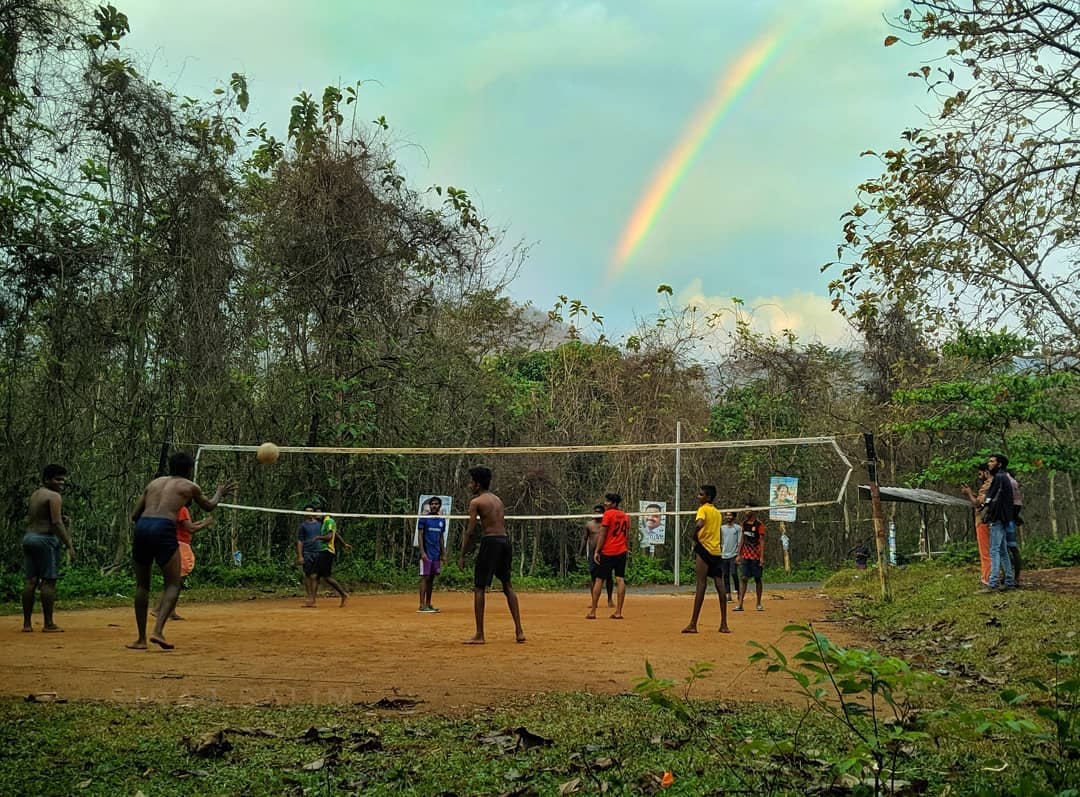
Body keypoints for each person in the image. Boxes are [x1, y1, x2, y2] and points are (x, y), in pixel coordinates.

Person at [129, 452, 234, 650]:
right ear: (189, 469)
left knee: (142, 586)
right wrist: (220, 492)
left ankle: (140, 639)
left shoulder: (154, 483)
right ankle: (158, 631)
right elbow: (209, 506)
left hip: (142, 526)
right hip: (163, 528)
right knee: (173, 584)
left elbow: (135, 514)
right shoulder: (189, 486)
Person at [458, 466, 525, 644]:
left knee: (479, 587)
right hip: (504, 541)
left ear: (477, 484)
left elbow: (470, 531)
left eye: (471, 482)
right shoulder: (497, 500)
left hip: (491, 542)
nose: (469, 485)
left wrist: (462, 554)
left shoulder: (476, 502)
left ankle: (479, 634)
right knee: (507, 585)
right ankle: (519, 631)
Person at [22, 464, 75, 633]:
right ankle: (48, 623)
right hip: (44, 540)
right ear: (47, 479)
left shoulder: (36, 494)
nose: (62, 482)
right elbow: (56, 523)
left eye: (63, 479)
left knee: (30, 581)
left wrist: (61, 519)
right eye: (57, 479)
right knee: (48, 581)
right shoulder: (54, 496)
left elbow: (42, 517)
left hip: (29, 538)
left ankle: (27, 624)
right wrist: (69, 545)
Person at [681, 486, 730, 634]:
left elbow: (700, 523)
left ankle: (693, 624)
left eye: (701, 494)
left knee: (701, 585)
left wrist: (694, 534)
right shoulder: (717, 513)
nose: (698, 496)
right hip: (716, 551)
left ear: (708, 497)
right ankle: (724, 624)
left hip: (704, 549)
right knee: (720, 586)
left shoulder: (703, 509)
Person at [153, 502, 213, 621]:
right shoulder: (182, 509)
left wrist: (202, 522)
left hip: (176, 544)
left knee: (176, 581)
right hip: (179, 545)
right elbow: (191, 529)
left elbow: (187, 526)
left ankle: (171, 611)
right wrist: (206, 523)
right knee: (175, 581)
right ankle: (158, 609)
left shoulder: (176, 508)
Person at [587, 492, 629, 620]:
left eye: (608, 501)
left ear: (614, 504)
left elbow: (603, 534)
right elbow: (627, 534)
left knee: (599, 579)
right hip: (622, 551)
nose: (605, 503)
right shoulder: (625, 516)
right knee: (620, 579)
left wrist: (597, 551)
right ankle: (618, 612)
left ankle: (593, 611)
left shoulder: (608, 515)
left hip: (608, 552)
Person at [980, 453, 1016, 592]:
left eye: (991, 461)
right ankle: (1009, 581)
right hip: (1005, 517)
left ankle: (993, 583)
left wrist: (986, 510)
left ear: (999, 464)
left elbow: (990, 498)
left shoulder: (998, 478)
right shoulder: (1006, 478)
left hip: (997, 518)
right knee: (1002, 551)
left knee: (994, 550)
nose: (988, 464)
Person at [961, 464, 992, 586]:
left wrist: (968, 494)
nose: (979, 477)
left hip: (983, 521)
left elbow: (978, 504)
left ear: (986, 472)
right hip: (988, 520)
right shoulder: (995, 483)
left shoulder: (988, 485)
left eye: (980, 474)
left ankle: (987, 578)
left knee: (985, 551)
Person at [417, 496, 447, 613]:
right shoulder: (424, 518)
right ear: (429, 506)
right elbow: (420, 535)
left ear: (440, 506)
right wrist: (422, 552)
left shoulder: (441, 520)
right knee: (425, 577)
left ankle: (428, 603)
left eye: (437, 504)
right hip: (426, 553)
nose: (434, 506)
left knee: (432, 579)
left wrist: (443, 553)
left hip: (436, 554)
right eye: (432, 504)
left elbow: (441, 538)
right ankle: (421, 604)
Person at [314, 513, 351, 607]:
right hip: (322, 551)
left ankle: (343, 594)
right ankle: (312, 599)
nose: (316, 515)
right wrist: (344, 544)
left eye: (318, 512)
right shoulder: (323, 523)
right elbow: (336, 534)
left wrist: (318, 537)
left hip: (327, 551)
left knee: (326, 577)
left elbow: (330, 536)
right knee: (315, 576)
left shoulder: (329, 521)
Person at [735, 508, 766, 612]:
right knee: (743, 578)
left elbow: (761, 541)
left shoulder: (759, 525)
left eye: (748, 510)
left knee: (758, 579)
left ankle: (758, 603)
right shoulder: (744, 524)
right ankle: (740, 604)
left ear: (753, 511)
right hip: (746, 555)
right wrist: (738, 554)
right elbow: (742, 539)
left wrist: (761, 557)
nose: (745, 511)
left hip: (756, 556)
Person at [584, 503, 613, 608]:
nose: (596, 514)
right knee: (593, 577)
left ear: (603, 514)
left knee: (608, 577)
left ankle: (610, 599)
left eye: (598, 512)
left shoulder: (606, 524)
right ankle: (594, 601)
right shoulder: (589, 524)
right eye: (595, 512)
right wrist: (581, 551)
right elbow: (585, 538)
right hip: (592, 553)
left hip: (605, 552)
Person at [296, 506, 323, 607]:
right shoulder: (303, 526)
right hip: (307, 552)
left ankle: (313, 599)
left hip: (318, 552)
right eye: (307, 511)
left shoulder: (320, 524)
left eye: (311, 511)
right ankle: (309, 597)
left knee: (315, 576)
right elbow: (300, 541)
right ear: (304, 513)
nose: (309, 513)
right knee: (308, 575)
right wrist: (300, 556)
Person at [1005, 468, 1023, 587]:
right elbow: (1018, 503)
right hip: (1011, 517)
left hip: (1007, 519)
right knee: (1013, 548)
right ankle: (1015, 577)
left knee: (1007, 549)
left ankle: (1010, 577)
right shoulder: (1013, 482)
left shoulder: (1005, 481)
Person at [719, 511, 741, 600]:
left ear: (734, 516)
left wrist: (738, 555)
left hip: (734, 554)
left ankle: (738, 591)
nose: (728, 517)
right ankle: (728, 594)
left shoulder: (738, 528)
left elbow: (740, 542)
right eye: (727, 515)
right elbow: (720, 541)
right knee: (725, 575)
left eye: (730, 515)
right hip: (724, 555)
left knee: (734, 573)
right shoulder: (722, 528)